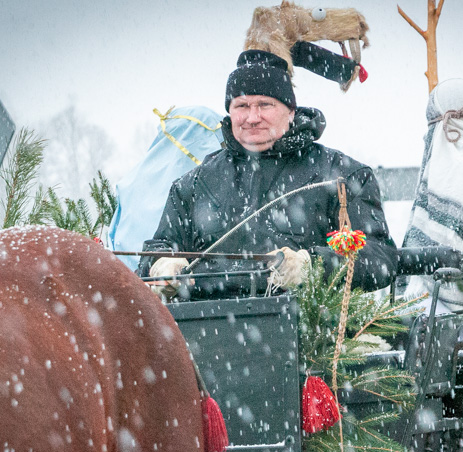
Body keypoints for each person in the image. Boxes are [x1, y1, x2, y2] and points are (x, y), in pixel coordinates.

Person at [137, 50, 397, 299]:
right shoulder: (194, 184)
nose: (252, 117)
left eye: (265, 104)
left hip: (312, 333)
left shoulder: (343, 175)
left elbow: (380, 259)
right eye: (242, 105)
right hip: (204, 330)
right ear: (230, 111)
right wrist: (161, 265)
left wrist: (313, 265)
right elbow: (155, 251)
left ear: (291, 110)